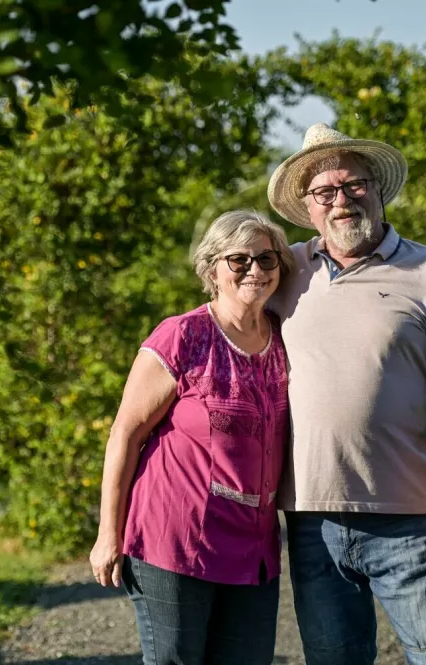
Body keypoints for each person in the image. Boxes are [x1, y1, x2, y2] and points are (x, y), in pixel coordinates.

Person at [266, 123, 426, 665]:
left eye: (355, 184)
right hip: (311, 519)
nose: (342, 200)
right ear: (308, 205)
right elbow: (224, 312)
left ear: (378, 190)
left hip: (410, 520)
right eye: (325, 191)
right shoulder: (285, 270)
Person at [89, 209, 295, 665]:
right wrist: (108, 534)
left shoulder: (285, 338)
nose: (255, 270)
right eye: (238, 260)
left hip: (253, 547)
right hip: (176, 539)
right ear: (212, 269)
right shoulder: (182, 335)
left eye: (266, 259)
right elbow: (125, 433)